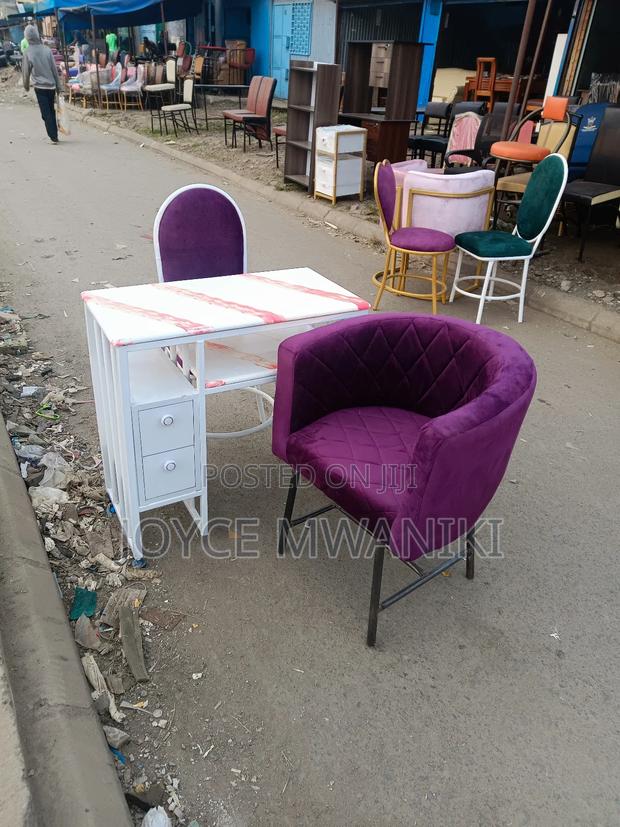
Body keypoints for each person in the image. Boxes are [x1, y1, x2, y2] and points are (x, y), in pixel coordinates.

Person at [22, 25, 62, 144]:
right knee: (50, 110)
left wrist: (26, 85)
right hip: (51, 87)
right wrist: (59, 86)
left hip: (40, 87)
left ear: (27, 37)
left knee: (46, 113)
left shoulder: (27, 52)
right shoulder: (47, 50)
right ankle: (54, 134)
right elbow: (54, 69)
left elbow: (25, 71)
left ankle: (53, 135)